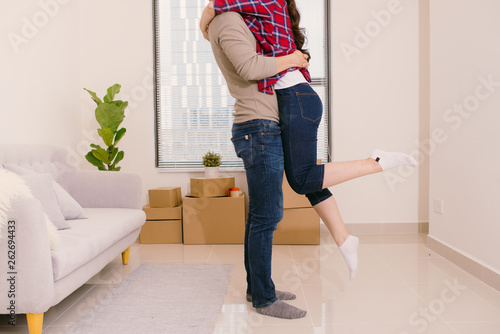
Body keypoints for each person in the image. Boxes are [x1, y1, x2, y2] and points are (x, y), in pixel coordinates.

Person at [201, 0, 417, 282]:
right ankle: (344, 238)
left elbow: (218, 6)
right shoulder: (251, 15)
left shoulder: (258, 4)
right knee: (304, 177)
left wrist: (204, 22)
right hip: (297, 99)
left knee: (302, 179)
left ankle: (374, 162)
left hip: (295, 100)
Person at [203, 11, 310, 319]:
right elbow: (250, 67)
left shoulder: (236, 18)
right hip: (257, 127)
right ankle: (264, 298)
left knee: (260, 214)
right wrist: (293, 59)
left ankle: (257, 287)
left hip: (262, 126)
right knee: (267, 214)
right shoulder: (227, 21)